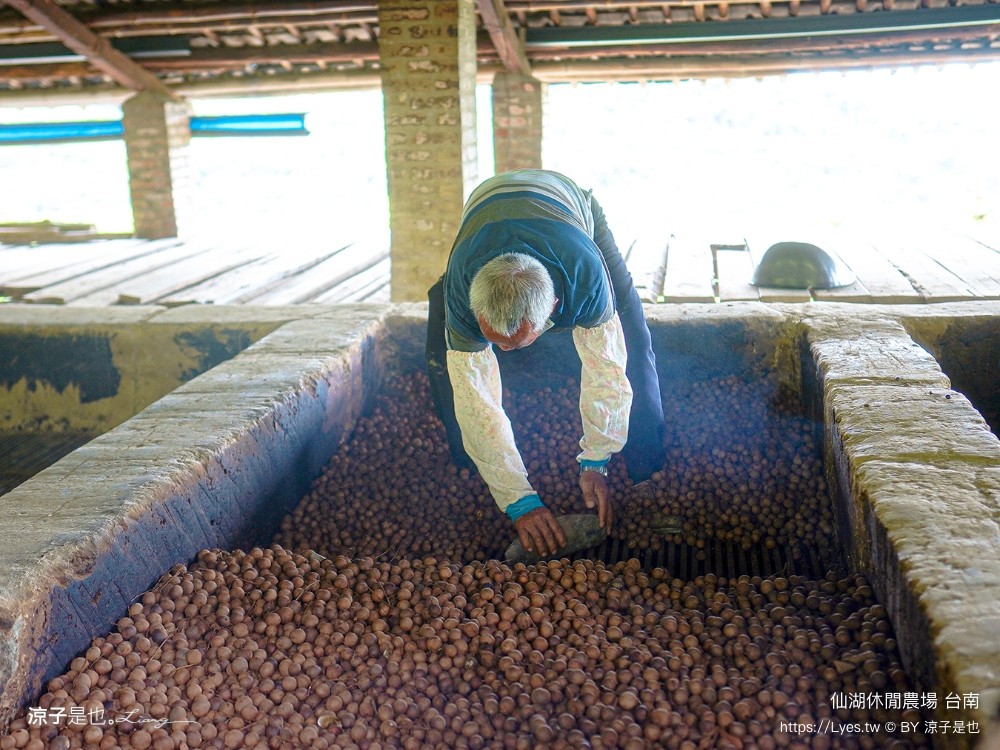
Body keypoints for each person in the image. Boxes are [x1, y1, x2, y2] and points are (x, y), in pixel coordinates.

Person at [426, 169, 666, 557]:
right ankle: (474, 470)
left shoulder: (585, 276)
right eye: (494, 341)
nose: (503, 354)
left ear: (554, 310)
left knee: (634, 342)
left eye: (515, 342)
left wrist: (596, 460)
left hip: (569, 208)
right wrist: (519, 501)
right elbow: (477, 401)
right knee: (447, 365)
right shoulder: (462, 288)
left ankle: (646, 467)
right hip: (485, 214)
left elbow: (607, 368)